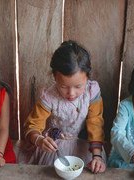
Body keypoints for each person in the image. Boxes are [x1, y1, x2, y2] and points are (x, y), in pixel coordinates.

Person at [22, 40, 106, 173]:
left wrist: (97, 155)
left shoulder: (91, 92)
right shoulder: (49, 96)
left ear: (87, 77)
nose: (71, 93)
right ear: (55, 77)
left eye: (78, 86)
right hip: (54, 147)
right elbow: (33, 125)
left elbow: (95, 123)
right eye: (63, 86)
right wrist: (39, 140)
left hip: (84, 146)